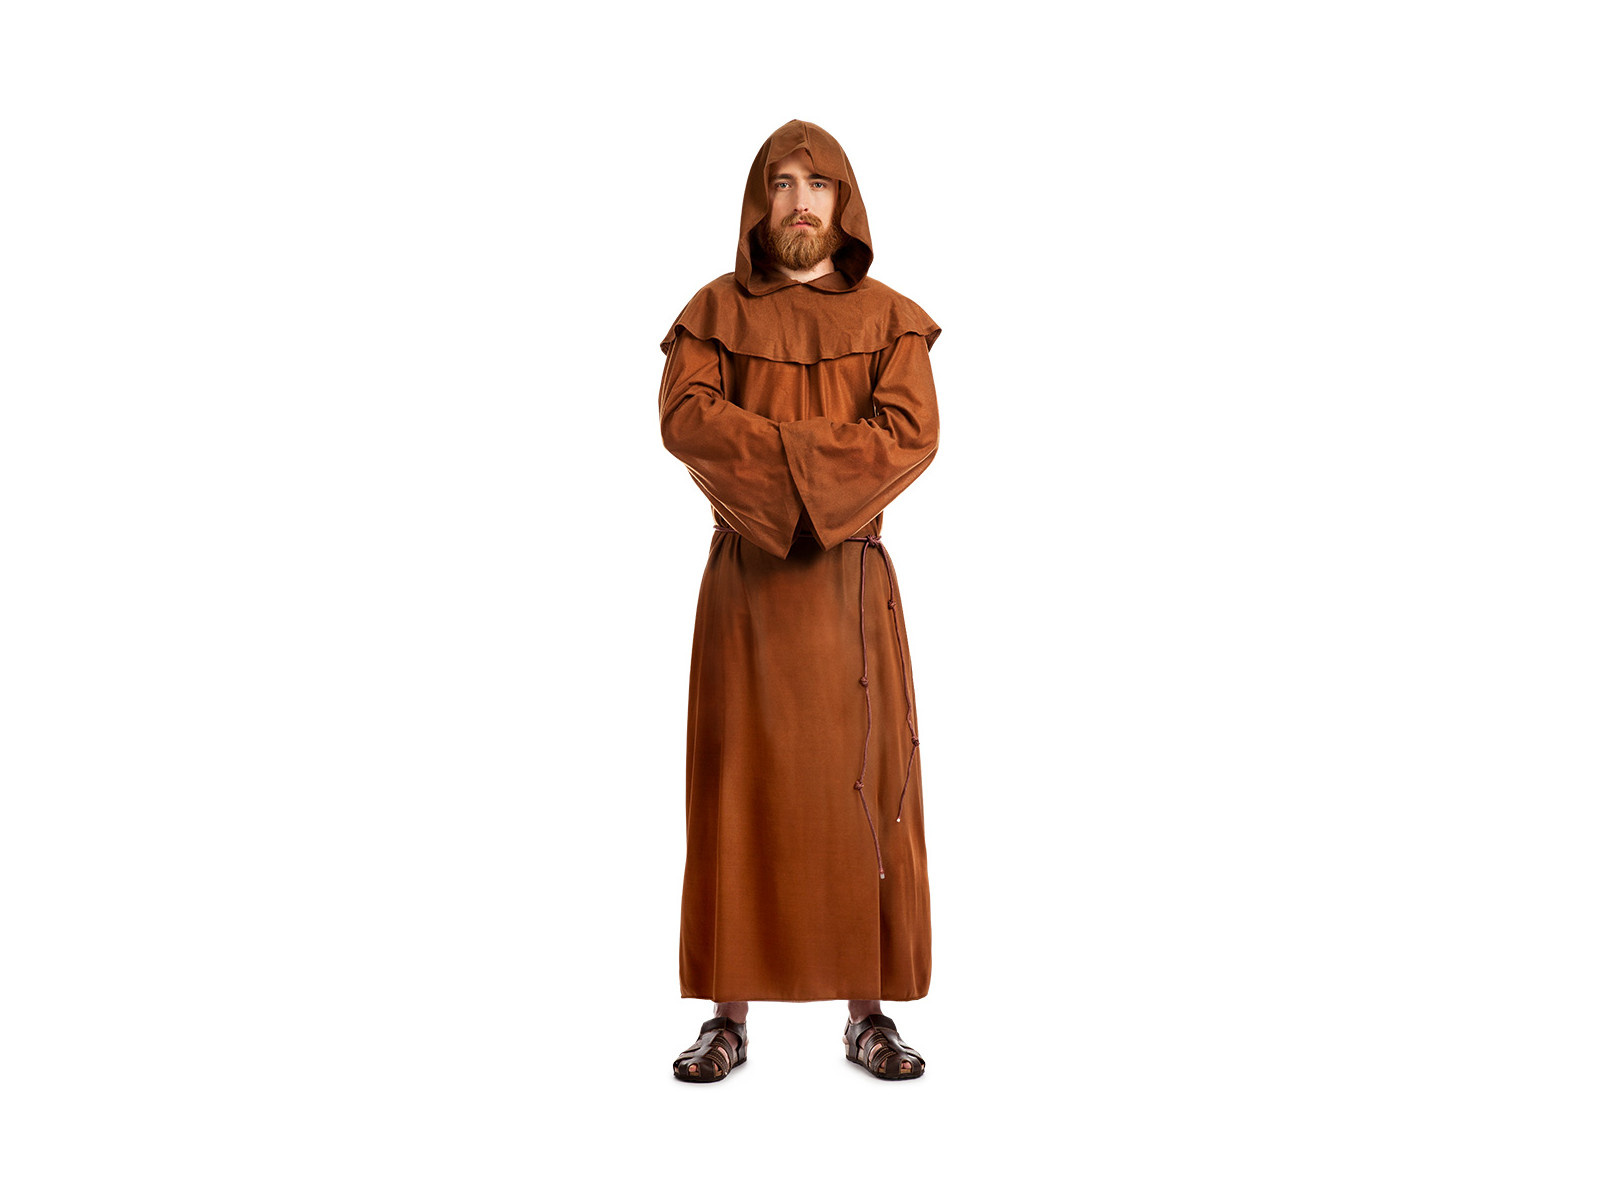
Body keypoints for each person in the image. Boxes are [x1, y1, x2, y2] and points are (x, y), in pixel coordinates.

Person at [658, 119, 941, 1083]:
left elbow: (909, 435)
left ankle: (869, 1016)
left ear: (843, 201)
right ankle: (726, 1020)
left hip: (851, 594)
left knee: (860, 794)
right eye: (781, 183)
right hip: (745, 589)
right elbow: (688, 422)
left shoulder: (893, 320)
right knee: (737, 792)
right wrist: (811, 470)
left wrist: (780, 461)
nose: (800, 201)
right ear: (759, 200)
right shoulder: (711, 312)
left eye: (817, 185)